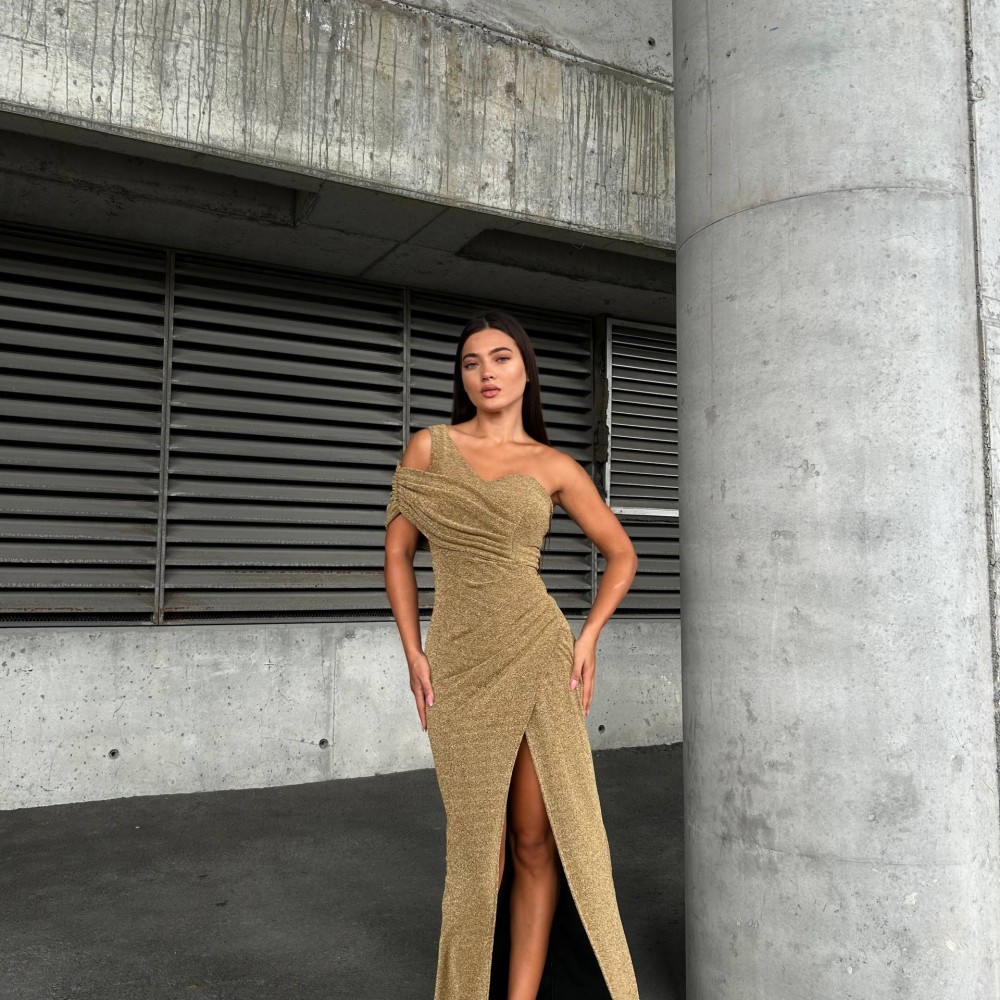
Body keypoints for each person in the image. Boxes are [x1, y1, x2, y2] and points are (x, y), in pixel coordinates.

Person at [383, 312, 641, 1000]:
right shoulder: (429, 448)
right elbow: (398, 554)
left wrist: (588, 636)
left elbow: (622, 554)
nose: (486, 372)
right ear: (462, 378)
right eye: (471, 363)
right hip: (459, 662)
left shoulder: (554, 466)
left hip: (538, 654)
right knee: (479, 853)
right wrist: (412, 650)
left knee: (535, 840)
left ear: (526, 371)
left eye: (500, 358)